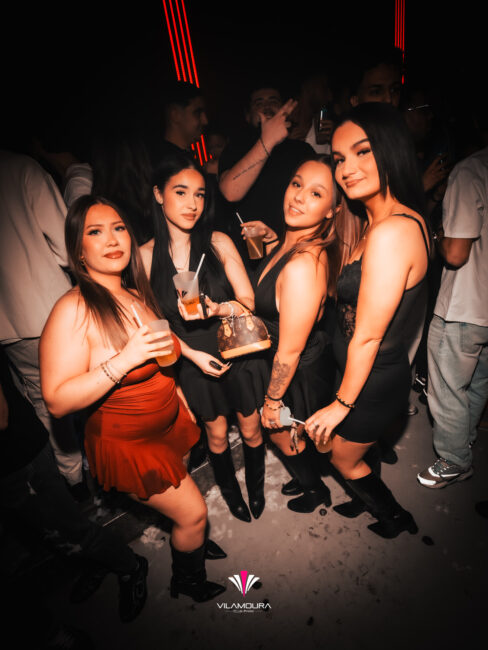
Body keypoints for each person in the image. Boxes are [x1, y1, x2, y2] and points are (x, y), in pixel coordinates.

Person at [39, 195, 226, 602]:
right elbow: (56, 400)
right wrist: (125, 359)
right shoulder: (73, 310)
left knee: (182, 509)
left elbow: (161, 346)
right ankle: (187, 578)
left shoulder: (132, 292)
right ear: (78, 250)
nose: (112, 239)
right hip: (130, 443)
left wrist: (181, 389)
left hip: (169, 423)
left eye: (119, 228)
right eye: (95, 231)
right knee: (194, 512)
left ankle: (188, 540)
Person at [305, 103, 430, 538]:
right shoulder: (375, 221)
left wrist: (340, 405)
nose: (346, 169)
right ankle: (366, 492)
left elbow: (368, 336)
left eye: (362, 151)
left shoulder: (393, 231)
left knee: (341, 457)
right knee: (356, 448)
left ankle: (394, 518)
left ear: (391, 149)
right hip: (359, 371)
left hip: (372, 377)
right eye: (339, 158)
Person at [140, 152, 268, 522]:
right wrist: (191, 357)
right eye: (180, 192)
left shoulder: (218, 241)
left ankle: (257, 489)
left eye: (199, 194)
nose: (192, 204)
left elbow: (248, 302)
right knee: (215, 434)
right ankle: (231, 494)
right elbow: (152, 327)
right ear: (159, 194)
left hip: (236, 350)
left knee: (251, 428)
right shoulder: (144, 257)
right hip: (192, 359)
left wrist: (217, 310)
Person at [0, 345, 148, 624]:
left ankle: (130, 566)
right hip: (16, 460)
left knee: (69, 527)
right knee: (53, 533)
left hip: (19, 457)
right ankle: (96, 564)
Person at [255, 157, 346, 513]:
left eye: (316, 193)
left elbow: (290, 351)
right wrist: (272, 241)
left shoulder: (303, 266)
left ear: (331, 211)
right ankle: (306, 474)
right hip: (286, 358)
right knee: (291, 436)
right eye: (297, 184)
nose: (298, 196)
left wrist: (272, 401)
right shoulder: (291, 244)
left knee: (281, 433)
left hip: (297, 369)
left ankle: (315, 490)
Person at [0, 149, 84, 490]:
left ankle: (74, 480)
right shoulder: (20, 167)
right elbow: (67, 247)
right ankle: (110, 468)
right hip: (52, 308)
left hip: (7, 324)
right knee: (92, 387)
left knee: (44, 400)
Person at [417, 146, 488, 488]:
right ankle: (464, 441)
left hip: (464, 303)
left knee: (447, 387)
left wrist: (437, 236)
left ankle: (454, 459)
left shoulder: (469, 170)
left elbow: (456, 254)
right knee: (478, 382)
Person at [218, 84, 314, 268]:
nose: (267, 106)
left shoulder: (302, 150)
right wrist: (268, 140)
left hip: (294, 255)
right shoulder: (237, 147)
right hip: (248, 260)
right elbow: (230, 191)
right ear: (248, 115)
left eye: (273, 101)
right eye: (259, 103)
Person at [147, 80, 208, 169]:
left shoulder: (180, 158)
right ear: (175, 115)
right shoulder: (167, 164)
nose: (205, 121)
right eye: (198, 113)